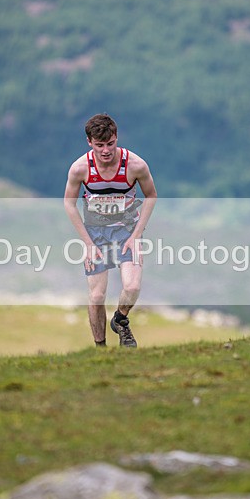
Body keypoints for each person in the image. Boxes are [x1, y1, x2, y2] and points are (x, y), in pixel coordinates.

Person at [64, 114, 157, 348]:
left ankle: (120, 319)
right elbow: (68, 203)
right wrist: (87, 243)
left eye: (110, 143)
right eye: (100, 145)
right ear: (89, 142)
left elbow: (151, 196)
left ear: (116, 138)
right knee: (96, 296)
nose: (106, 150)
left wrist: (136, 235)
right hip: (95, 234)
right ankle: (101, 350)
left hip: (127, 231)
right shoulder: (80, 169)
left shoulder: (135, 165)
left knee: (132, 286)